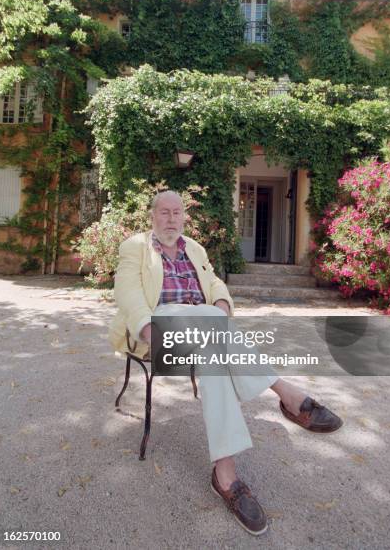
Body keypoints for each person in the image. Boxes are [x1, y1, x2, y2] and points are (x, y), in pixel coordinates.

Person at [108, 190, 343, 536]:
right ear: (152, 217)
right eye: (164, 213)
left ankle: (226, 474)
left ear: (184, 217)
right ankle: (285, 393)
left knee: (211, 344)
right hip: (159, 331)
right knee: (210, 326)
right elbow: (127, 292)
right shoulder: (135, 248)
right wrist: (147, 329)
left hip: (202, 333)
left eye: (177, 213)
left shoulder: (196, 249)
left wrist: (221, 303)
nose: (171, 219)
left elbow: (215, 283)